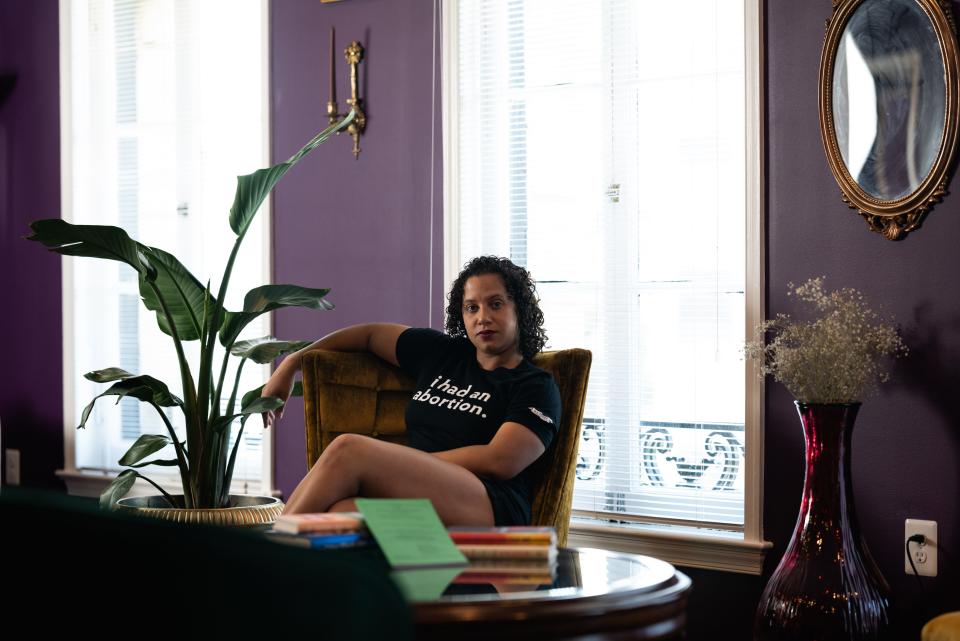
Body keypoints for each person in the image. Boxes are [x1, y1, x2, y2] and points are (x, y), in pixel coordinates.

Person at [261, 256, 561, 527]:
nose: (482, 317)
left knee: (349, 450)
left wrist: (402, 464)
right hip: (419, 491)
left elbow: (500, 461)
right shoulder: (443, 353)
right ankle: (415, 582)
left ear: (519, 309)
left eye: (495, 304)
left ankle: (271, 555)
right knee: (343, 511)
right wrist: (291, 363)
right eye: (472, 307)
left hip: (490, 502)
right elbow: (369, 335)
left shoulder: (535, 385)